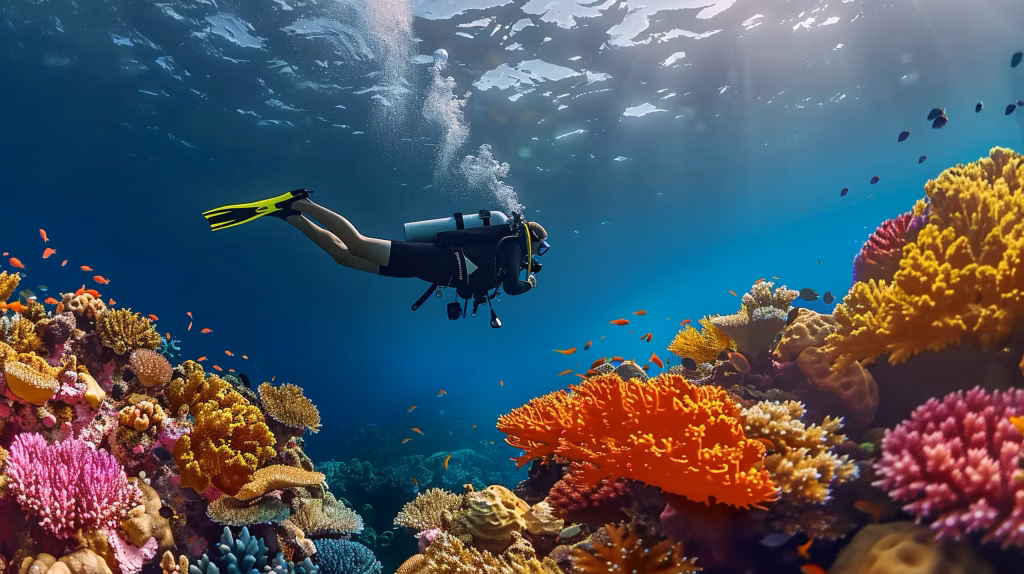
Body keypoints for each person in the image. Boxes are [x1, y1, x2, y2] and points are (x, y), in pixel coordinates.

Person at [202, 189, 549, 324]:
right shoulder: (515, 243)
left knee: (346, 258)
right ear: (533, 237)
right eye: (541, 248)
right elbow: (516, 288)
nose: (537, 256)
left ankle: (289, 216)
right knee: (357, 243)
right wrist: (530, 282)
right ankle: (301, 202)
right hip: (437, 261)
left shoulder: (510, 247)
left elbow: (474, 286)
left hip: (435, 270)